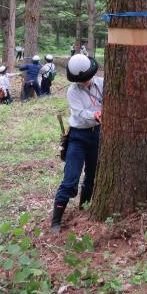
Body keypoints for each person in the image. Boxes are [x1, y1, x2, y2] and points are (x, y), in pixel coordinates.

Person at [50, 54, 102, 234]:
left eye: (86, 77)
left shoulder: (102, 84)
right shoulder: (73, 91)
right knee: (70, 179)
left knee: (92, 177)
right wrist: (95, 115)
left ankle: (84, 209)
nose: (85, 81)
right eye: (81, 79)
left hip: (98, 136)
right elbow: (79, 113)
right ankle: (56, 220)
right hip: (78, 137)